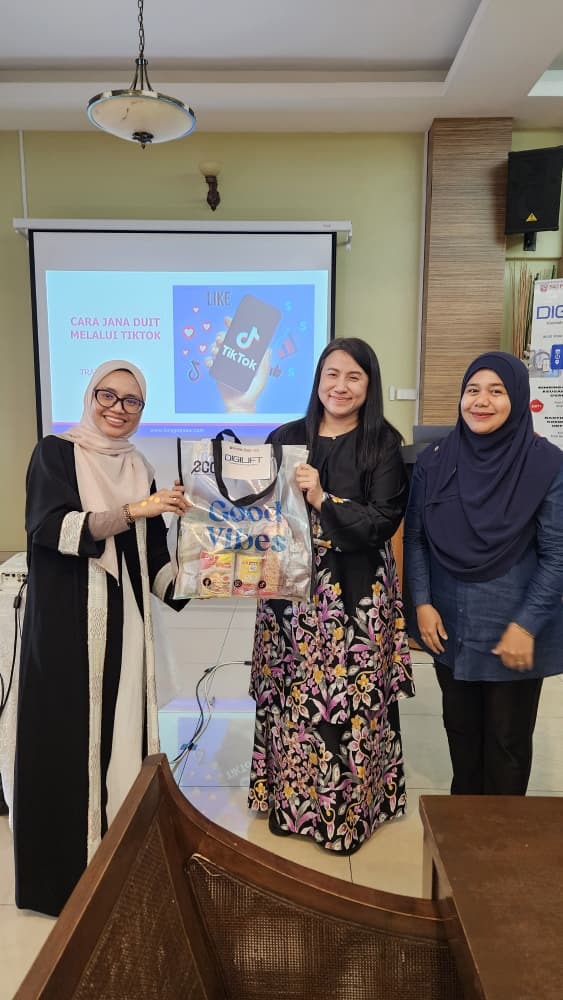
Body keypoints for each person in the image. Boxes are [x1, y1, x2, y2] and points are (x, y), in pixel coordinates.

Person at [14, 361, 189, 916]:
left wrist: (209, 570)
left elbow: (155, 562)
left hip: (127, 626)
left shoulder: (140, 467)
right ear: (90, 396)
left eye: (131, 401)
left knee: (124, 738)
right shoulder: (55, 453)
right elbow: (53, 527)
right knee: (69, 745)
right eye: (108, 396)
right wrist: (135, 510)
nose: (118, 408)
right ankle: (64, 883)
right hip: (68, 629)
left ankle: (118, 863)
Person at [248, 338, 414, 856]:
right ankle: (291, 805)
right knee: (293, 699)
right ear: (318, 379)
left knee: (350, 702)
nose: (340, 386)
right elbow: (256, 509)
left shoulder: (383, 443)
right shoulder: (285, 438)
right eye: (332, 375)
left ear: (369, 385)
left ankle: (348, 816)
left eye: (354, 377)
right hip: (290, 596)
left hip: (355, 597)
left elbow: (383, 522)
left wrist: (323, 499)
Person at [404, 351, 563, 796]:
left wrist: (526, 625)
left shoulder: (547, 465)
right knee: (461, 732)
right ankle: (463, 830)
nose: (481, 401)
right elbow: (415, 538)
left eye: (496, 391)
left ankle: (502, 831)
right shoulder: (435, 461)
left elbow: (557, 555)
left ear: (518, 398)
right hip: (449, 624)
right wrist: (422, 604)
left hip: (513, 627)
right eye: (473, 390)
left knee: (506, 743)